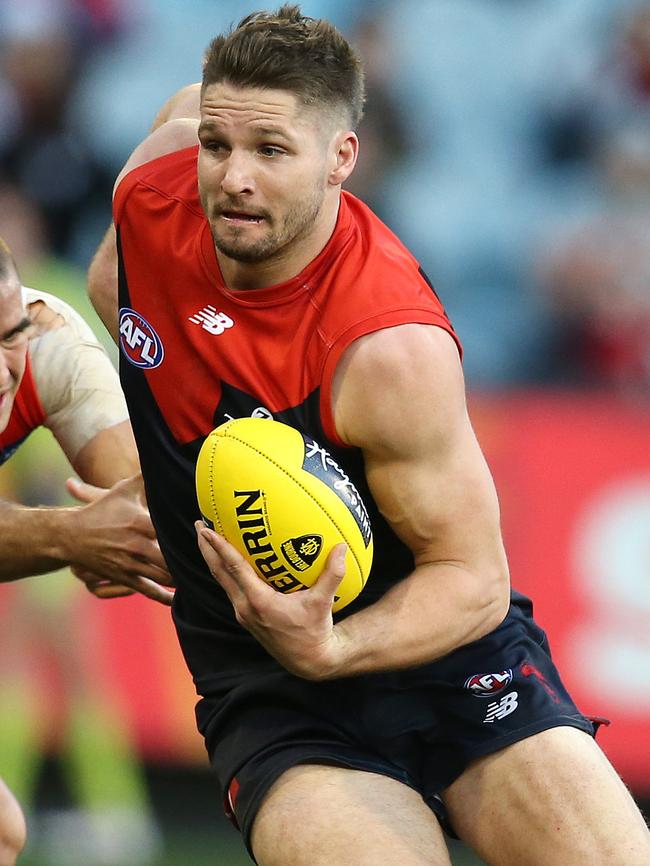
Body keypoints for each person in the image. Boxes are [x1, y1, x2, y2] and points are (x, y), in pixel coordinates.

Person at [88, 6, 650, 866]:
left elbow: (474, 579)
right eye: (218, 144)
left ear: (341, 159)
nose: (233, 176)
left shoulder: (388, 348)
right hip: (270, 680)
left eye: (273, 152)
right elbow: (117, 294)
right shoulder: (155, 188)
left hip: (444, 660)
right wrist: (163, 470)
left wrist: (336, 643)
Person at [0, 236, 173, 865]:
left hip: (44, 503)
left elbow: (132, 496)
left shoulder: (51, 323)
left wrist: (107, 524)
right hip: (47, 515)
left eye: (10, 336)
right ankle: (118, 815)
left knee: (48, 666)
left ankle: (117, 818)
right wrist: (73, 533)